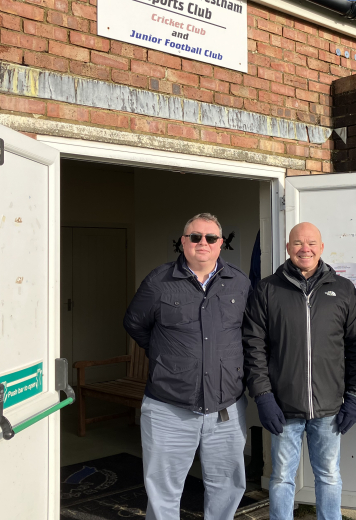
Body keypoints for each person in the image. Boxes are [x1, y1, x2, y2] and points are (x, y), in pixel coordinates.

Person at [123, 212, 251, 520]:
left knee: (227, 488)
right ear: (183, 242)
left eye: (210, 238)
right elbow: (134, 323)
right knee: (163, 491)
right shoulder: (159, 281)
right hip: (169, 408)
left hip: (225, 409)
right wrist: (165, 355)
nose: (202, 243)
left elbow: (249, 334)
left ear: (221, 244)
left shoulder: (240, 283)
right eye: (195, 237)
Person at [242, 222, 356, 520]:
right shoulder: (267, 289)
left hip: (328, 409)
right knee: (282, 479)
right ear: (288, 248)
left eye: (311, 243)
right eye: (298, 243)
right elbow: (253, 347)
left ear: (322, 248)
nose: (305, 249)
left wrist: (354, 395)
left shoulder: (343, 290)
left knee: (329, 477)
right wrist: (262, 395)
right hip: (282, 408)